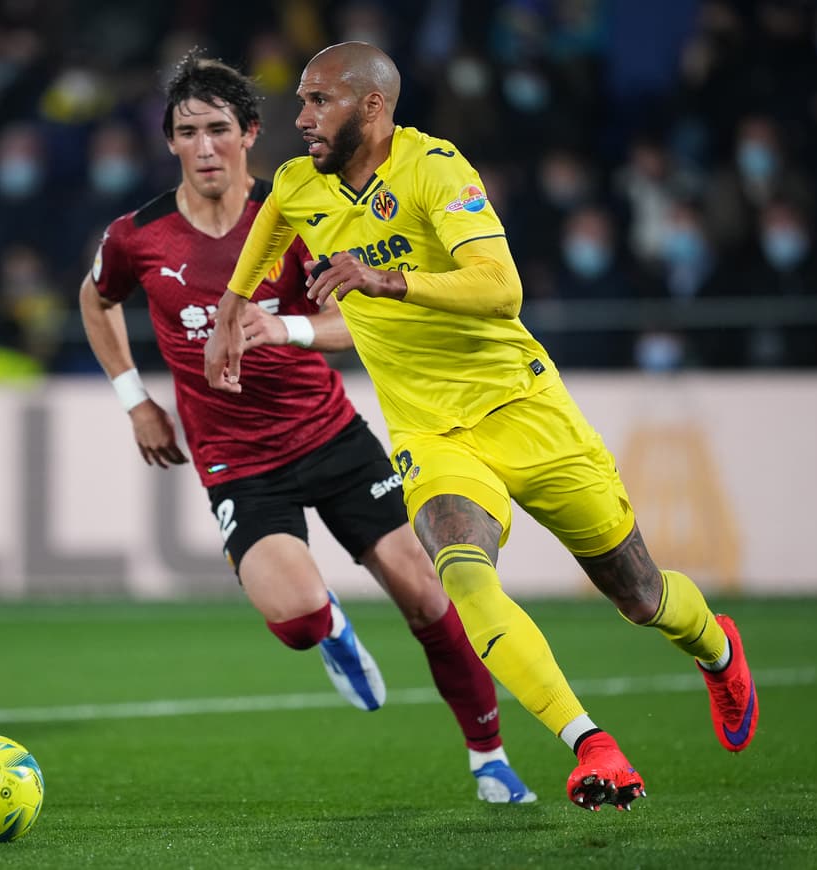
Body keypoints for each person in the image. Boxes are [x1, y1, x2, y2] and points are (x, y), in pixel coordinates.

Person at [205, 42, 760, 812]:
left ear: (371, 106)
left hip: (523, 411)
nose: (299, 119)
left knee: (639, 595)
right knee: (463, 575)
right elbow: (270, 226)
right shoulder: (302, 183)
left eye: (318, 102)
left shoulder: (437, 170)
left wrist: (385, 279)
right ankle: (589, 745)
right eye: (300, 101)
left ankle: (718, 650)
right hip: (431, 435)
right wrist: (235, 307)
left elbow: (502, 289)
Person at [79, 53, 534, 804]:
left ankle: (489, 758)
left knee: (427, 594)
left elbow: (361, 318)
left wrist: (281, 326)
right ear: (169, 143)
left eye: (218, 129)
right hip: (236, 461)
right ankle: (331, 632)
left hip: (330, 435)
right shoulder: (138, 237)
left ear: (250, 133)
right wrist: (136, 399)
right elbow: (96, 302)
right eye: (186, 132)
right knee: (291, 617)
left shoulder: (300, 211)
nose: (203, 148)